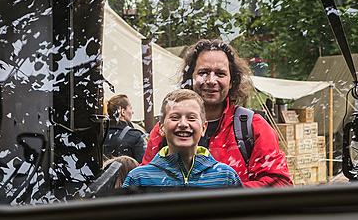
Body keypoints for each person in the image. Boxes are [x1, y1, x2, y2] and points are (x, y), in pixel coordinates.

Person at [142, 40, 292, 187]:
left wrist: (222, 194)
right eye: (203, 72)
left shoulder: (252, 127)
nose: (211, 80)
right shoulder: (165, 130)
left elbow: (280, 184)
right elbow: (145, 181)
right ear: (190, 78)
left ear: (232, 81)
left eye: (220, 74)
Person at [125, 89, 241, 190]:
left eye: (191, 118)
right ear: (161, 128)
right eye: (175, 117)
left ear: (203, 128)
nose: (183, 124)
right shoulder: (139, 178)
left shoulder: (225, 177)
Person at [103, 94, 146, 162]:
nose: (132, 112)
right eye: (130, 108)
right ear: (122, 112)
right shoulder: (135, 136)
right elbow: (142, 165)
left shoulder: (99, 134)